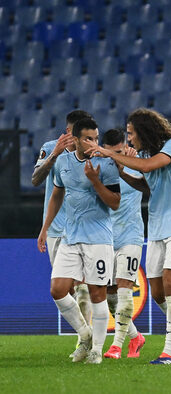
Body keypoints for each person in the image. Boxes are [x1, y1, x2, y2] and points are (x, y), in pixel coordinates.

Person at [85, 109, 171, 365]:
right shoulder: (146, 154)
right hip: (158, 227)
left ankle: (169, 353)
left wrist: (109, 153)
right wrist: (122, 171)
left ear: (143, 130)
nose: (129, 140)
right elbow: (147, 184)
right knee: (159, 293)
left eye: (131, 134)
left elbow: (148, 166)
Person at [37, 117, 121, 364]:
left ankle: (96, 350)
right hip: (70, 237)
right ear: (74, 139)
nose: (94, 143)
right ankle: (85, 335)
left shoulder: (105, 163)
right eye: (88, 138)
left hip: (98, 238)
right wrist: (45, 228)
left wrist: (95, 181)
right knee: (58, 289)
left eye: (96, 138)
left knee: (97, 293)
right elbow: (56, 195)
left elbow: (115, 202)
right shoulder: (62, 161)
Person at [32, 110, 94, 350]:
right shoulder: (50, 147)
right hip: (58, 230)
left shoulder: (92, 154)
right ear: (69, 133)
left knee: (84, 287)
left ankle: (84, 342)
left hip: (84, 229)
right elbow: (36, 179)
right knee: (63, 288)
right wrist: (54, 155)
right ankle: (85, 332)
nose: (86, 140)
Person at [100, 129, 146, 359]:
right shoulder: (97, 168)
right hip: (106, 238)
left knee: (125, 290)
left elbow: (148, 185)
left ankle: (116, 346)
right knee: (110, 295)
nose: (116, 156)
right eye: (111, 153)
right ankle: (135, 337)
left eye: (119, 152)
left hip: (131, 236)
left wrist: (132, 161)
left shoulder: (135, 161)